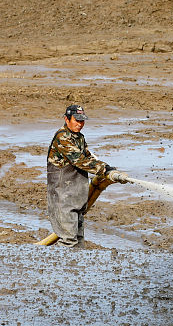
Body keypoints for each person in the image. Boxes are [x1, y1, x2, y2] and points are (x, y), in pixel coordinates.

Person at [46, 104, 128, 247]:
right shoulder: (63, 138)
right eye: (76, 120)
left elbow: (89, 157)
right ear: (67, 119)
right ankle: (57, 267)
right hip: (62, 198)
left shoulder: (79, 138)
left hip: (76, 197)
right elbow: (80, 160)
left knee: (78, 242)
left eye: (82, 121)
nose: (80, 124)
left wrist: (108, 169)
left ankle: (75, 268)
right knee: (68, 242)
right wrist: (103, 170)